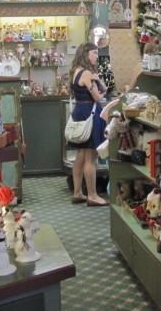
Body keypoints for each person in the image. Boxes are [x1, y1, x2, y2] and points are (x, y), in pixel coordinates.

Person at [68, 42, 109, 206]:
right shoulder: (86, 73)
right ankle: (92, 195)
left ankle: (78, 192)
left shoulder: (75, 71)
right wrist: (98, 83)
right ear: (85, 54)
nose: (96, 56)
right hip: (90, 113)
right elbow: (99, 97)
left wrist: (98, 81)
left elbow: (102, 90)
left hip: (80, 111)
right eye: (94, 53)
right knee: (91, 156)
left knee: (81, 155)